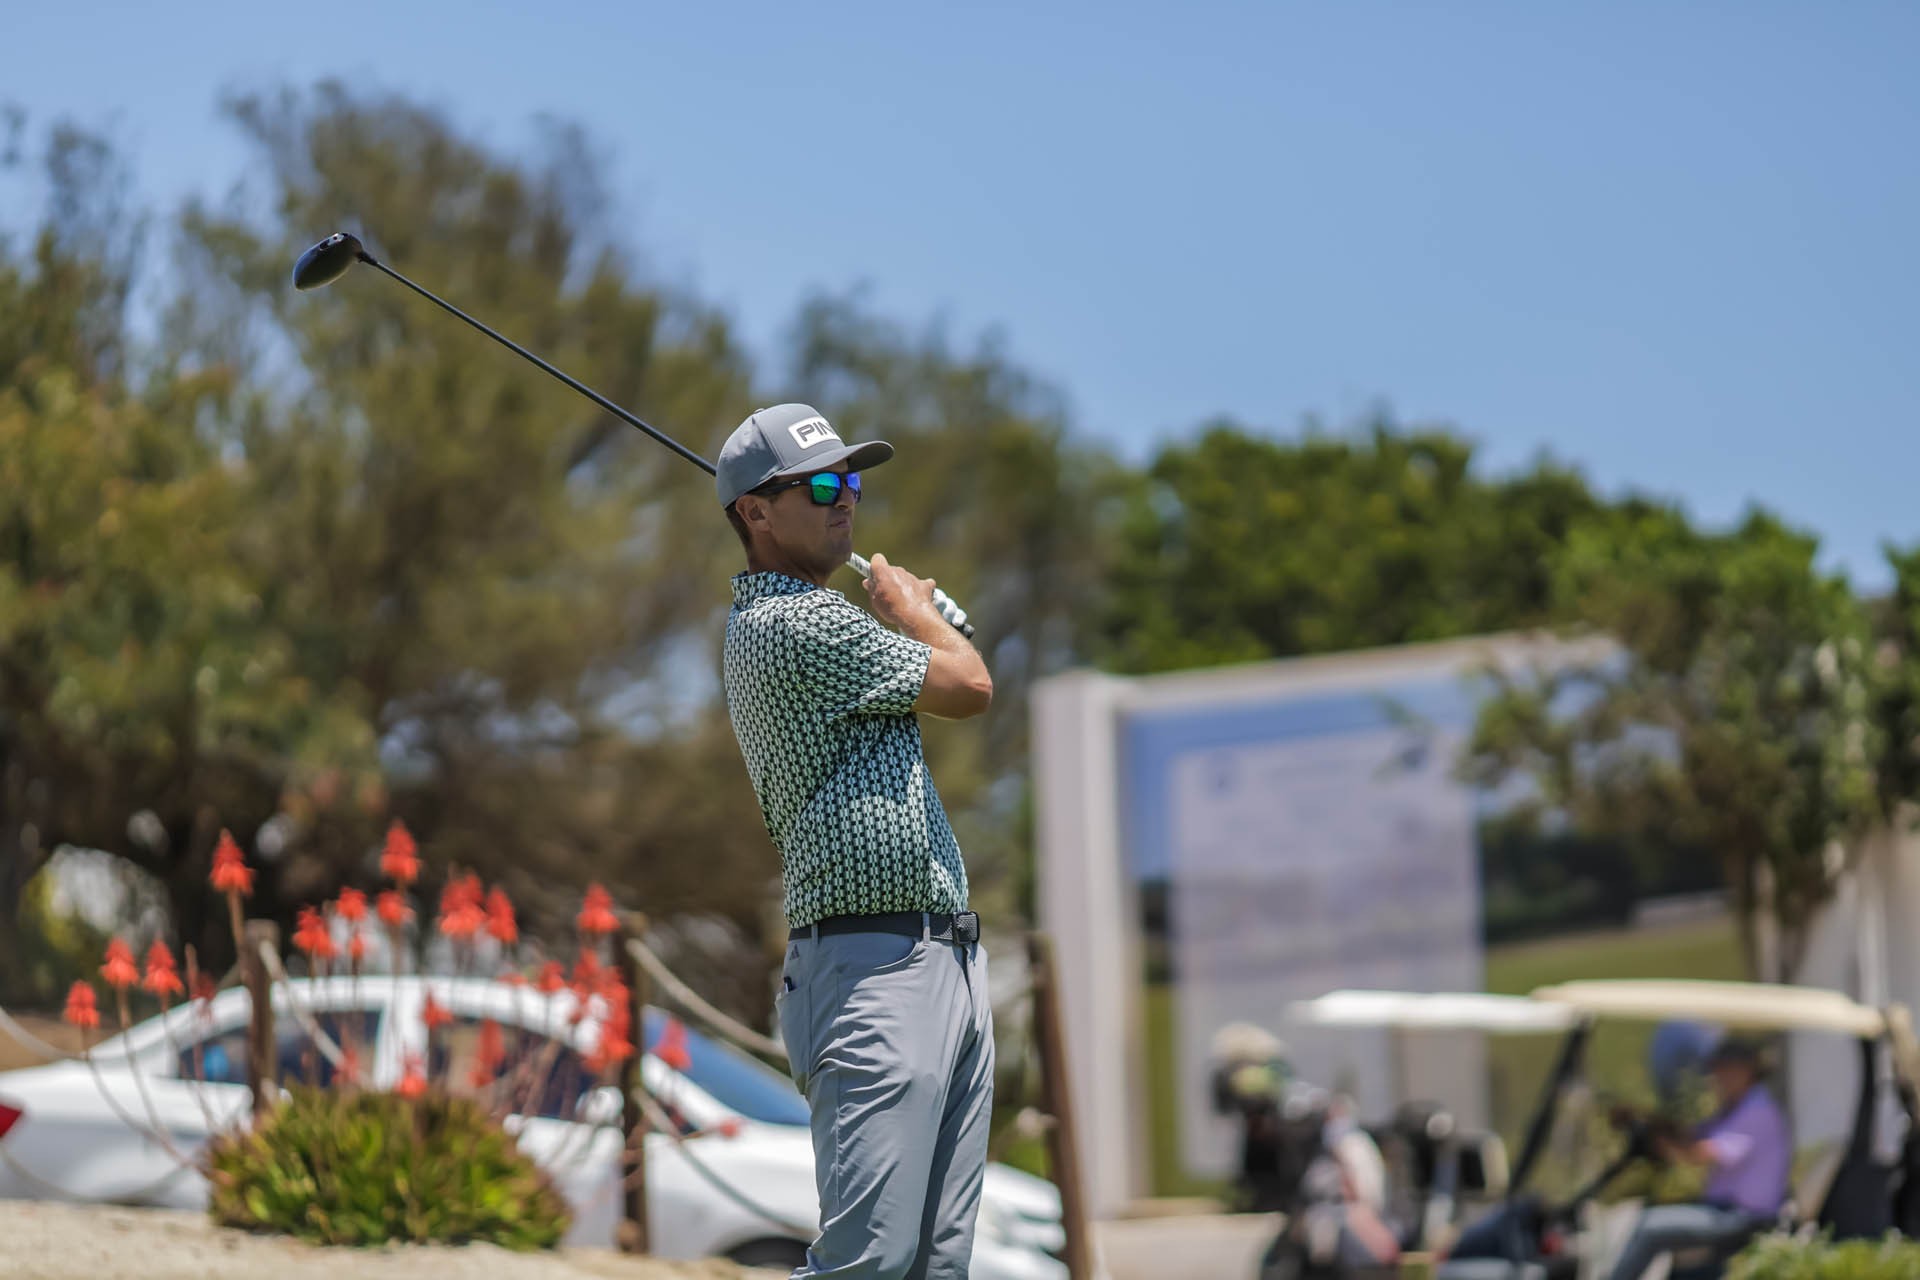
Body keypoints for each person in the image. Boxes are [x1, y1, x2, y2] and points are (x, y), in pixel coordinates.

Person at [716, 403, 995, 1279]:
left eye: (852, 482)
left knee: (933, 1268)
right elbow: (969, 686)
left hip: (941, 962)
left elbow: (952, 664)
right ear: (755, 513)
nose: (845, 499)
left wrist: (917, 618)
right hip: (872, 971)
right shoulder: (795, 624)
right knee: (867, 1265)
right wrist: (913, 610)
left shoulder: (829, 620)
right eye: (821, 485)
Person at [1607, 1036, 1791, 1280]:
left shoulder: (1757, 1110)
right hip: (1723, 1209)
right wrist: (1646, 1120)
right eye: (1716, 1070)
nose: (1717, 1078)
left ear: (1746, 1070)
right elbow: (1692, 1135)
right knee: (1654, 1213)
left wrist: (1665, 1146)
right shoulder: (1734, 1107)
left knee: (1650, 1225)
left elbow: (1700, 1153)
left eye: (1724, 1070)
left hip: (1743, 1217)